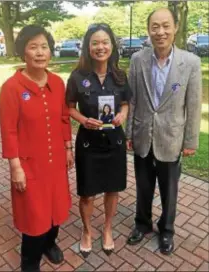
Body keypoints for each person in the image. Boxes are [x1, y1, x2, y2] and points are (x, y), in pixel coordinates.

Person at [126, 8, 202, 255]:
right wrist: (129, 133)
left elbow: (193, 103)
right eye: (155, 26)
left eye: (165, 26)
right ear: (149, 29)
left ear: (175, 27)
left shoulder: (190, 62)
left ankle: (167, 231)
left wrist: (190, 140)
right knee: (143, 186)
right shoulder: (138, 60)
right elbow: (133, 100)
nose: (160, 32)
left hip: (172, 137)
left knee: (169, 190)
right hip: (142, 136)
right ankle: (142, 224)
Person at [0, 25, 74, 272]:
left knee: (56, 207)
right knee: (34, 215)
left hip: (56, 163)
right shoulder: (12, 87)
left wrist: (67, 147)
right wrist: (15, 167)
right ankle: (29, 261)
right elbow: (8, 130)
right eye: (33, 47)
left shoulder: (56, 82)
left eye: (44, 47)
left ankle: (50, 244)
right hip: (29, 164)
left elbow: (64, 118)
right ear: (23, 53)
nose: (40, 52)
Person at [66, 23, 132, 258]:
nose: (100, 47)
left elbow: (125, 103)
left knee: (112, 189)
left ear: (112, 46)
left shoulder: (120, 75)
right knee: (87, 192)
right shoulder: (77, 76)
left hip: (114, 142)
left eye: (105, 42)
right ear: (88, 47)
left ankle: (107, 229)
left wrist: (123, 114)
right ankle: (86, 231)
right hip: (88, 143)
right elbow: (69, 108)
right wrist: (83, 120)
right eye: (95, 43)